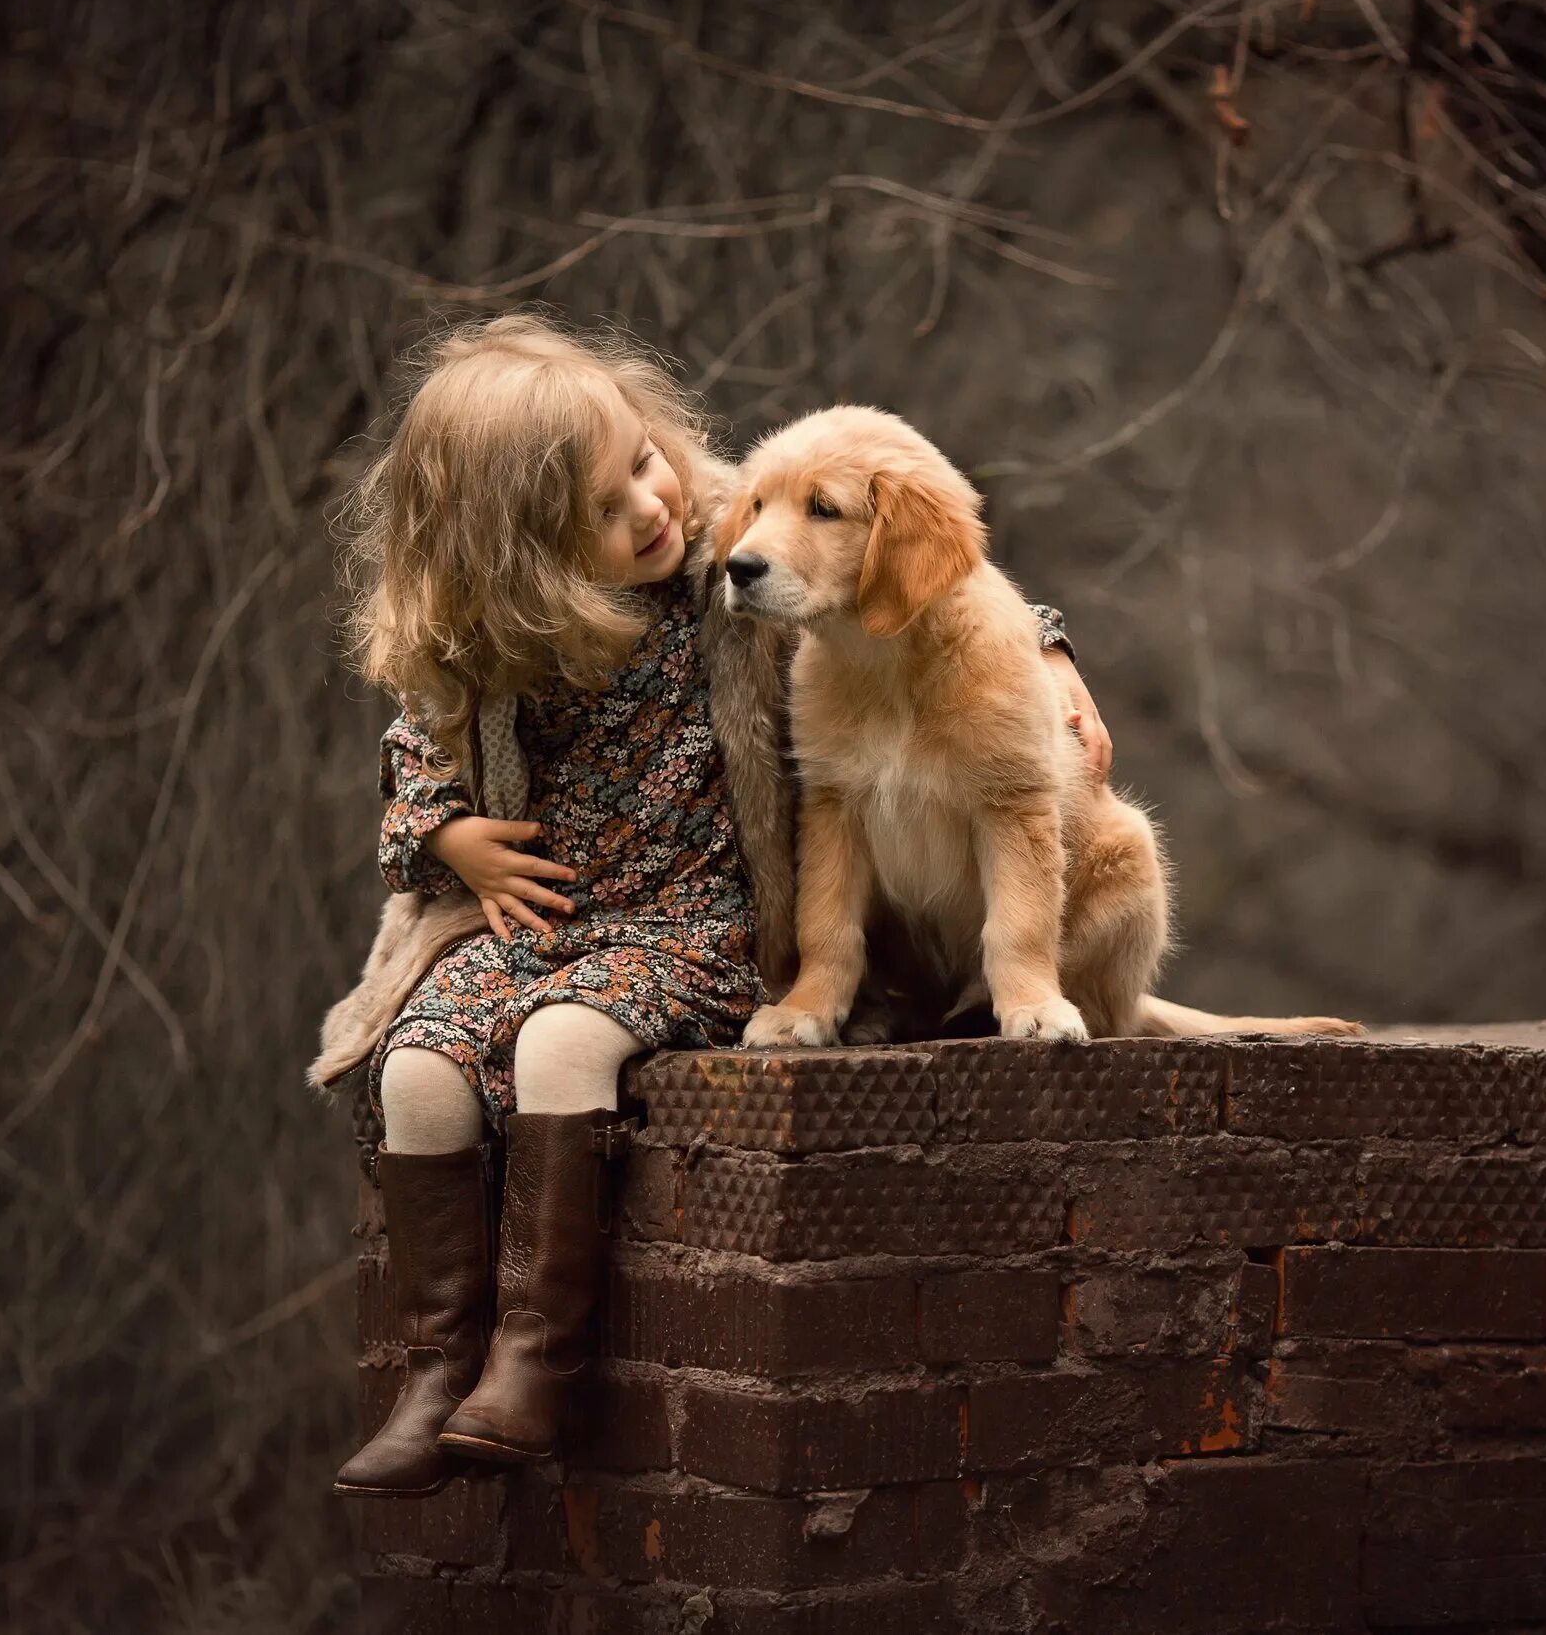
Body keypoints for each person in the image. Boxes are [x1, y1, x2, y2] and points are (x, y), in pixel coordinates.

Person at [324, 312, 1107, 1496]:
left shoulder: (727, 534)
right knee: (417, 1070)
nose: (651, 507)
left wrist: (1045, 649)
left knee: (560, 1043)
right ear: (517, 555)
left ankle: (538, 1355)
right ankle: (435, 1368)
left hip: (698, 927)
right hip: (542, 923)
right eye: (601, 509)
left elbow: (916, 557)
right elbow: (421, 732)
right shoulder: (500, 628)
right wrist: (445, 834)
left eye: (644, 460)